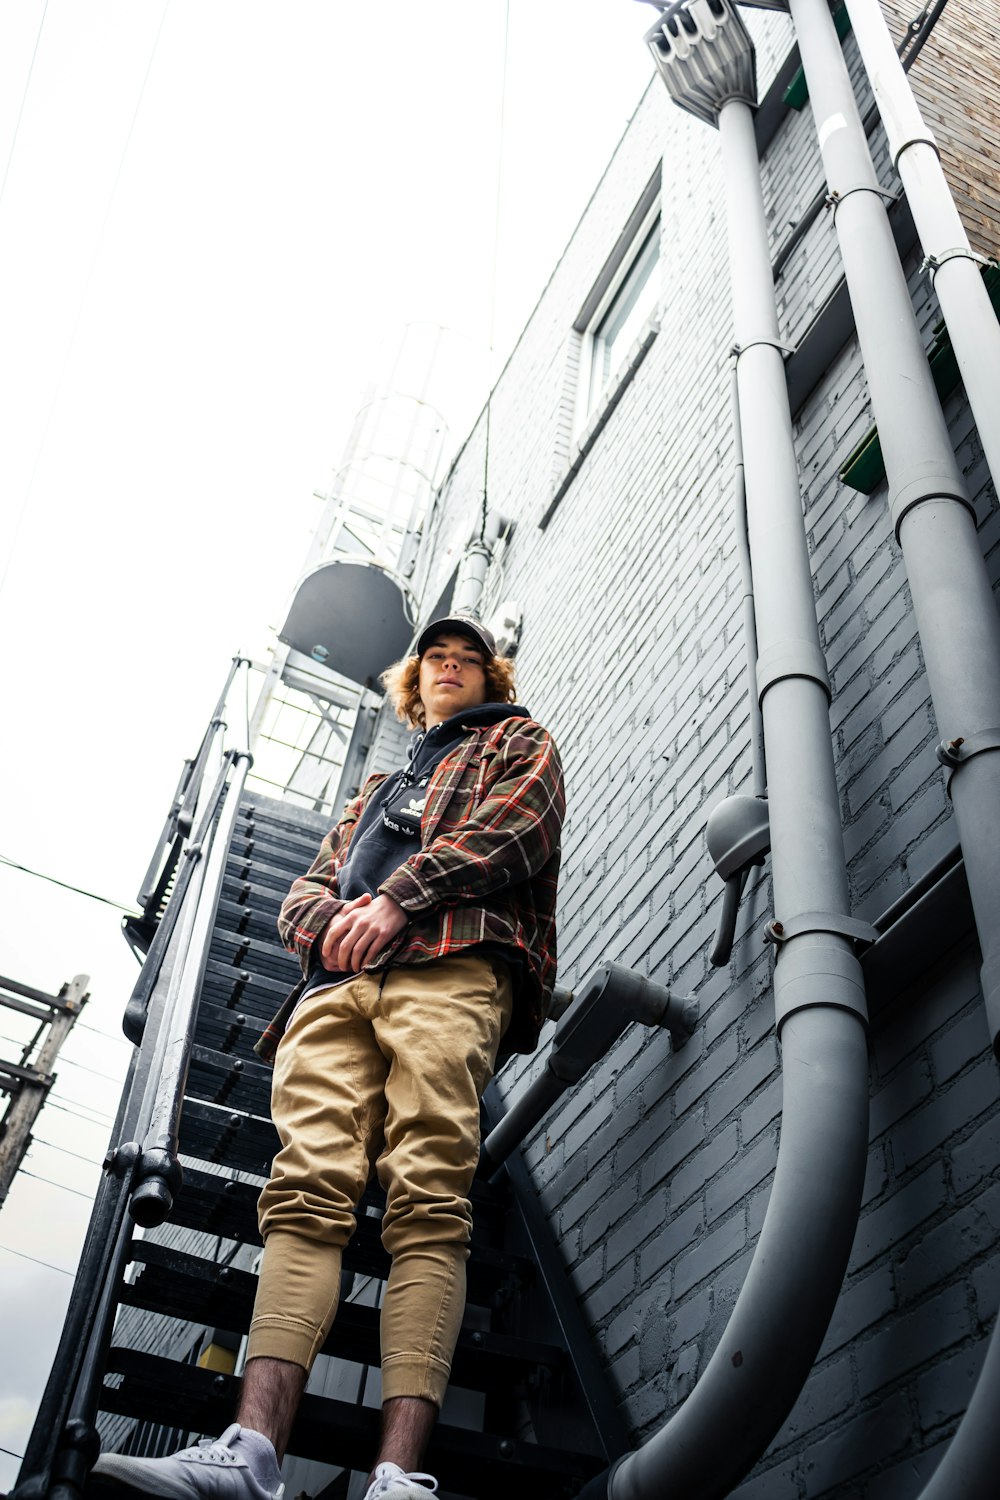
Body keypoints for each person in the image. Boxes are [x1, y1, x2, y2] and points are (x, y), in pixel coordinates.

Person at [91, 614, 565, 1500]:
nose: (450, 669)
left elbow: (516, 833)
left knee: (427, 1193)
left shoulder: (518, 739)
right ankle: (252, 1453)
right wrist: (329, 930)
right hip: (335, 992)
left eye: (468, 661)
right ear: (413, 685)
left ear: (490, 682)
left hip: (452, 964)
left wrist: (396, 898)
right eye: (435, 662)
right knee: (305, 1188)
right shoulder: (378, 790)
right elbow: (309, 888)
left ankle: (396, 1477)